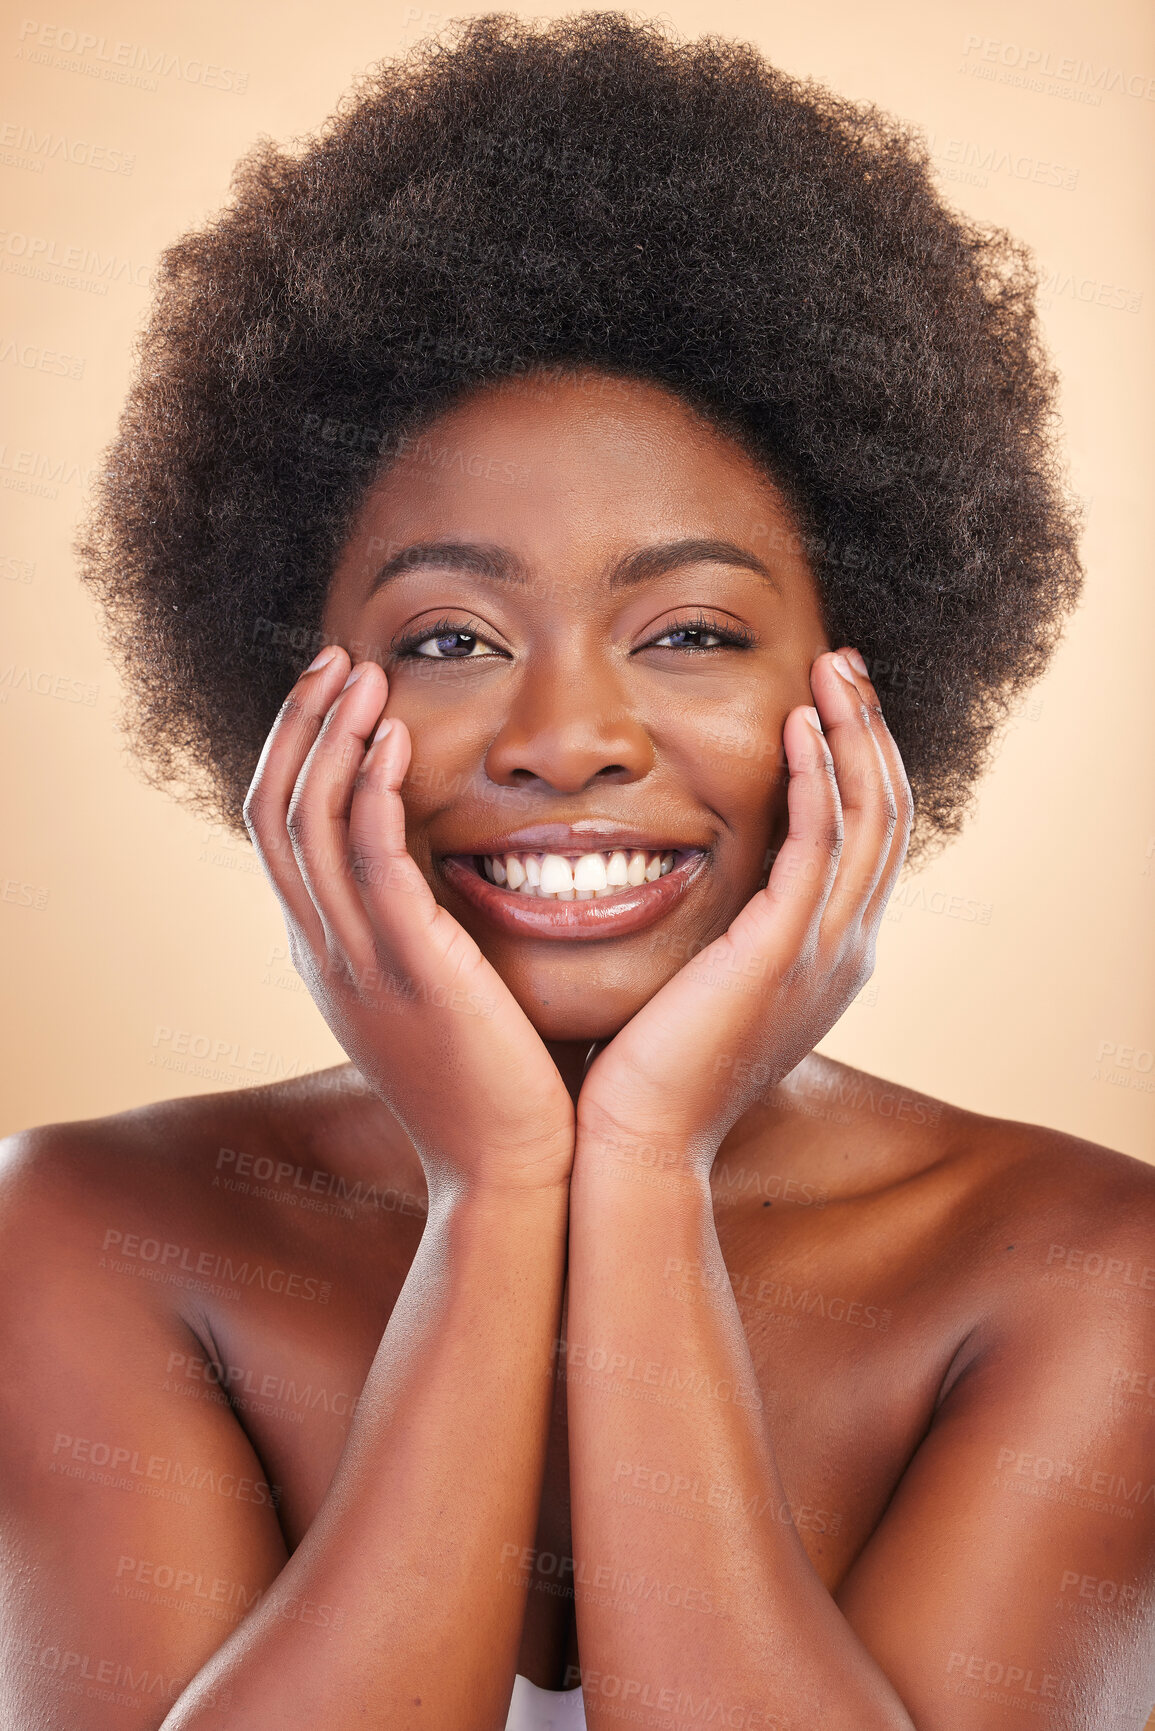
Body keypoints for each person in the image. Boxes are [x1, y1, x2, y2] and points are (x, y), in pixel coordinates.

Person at [2, 12, 1152, 1729]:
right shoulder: (91, 1232)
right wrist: (499, 1190)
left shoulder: (1083, 1272)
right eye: (452, 637)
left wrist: (642, 1169)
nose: (566, 738)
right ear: (284, 702)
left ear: (866, 690)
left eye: (688, 630)